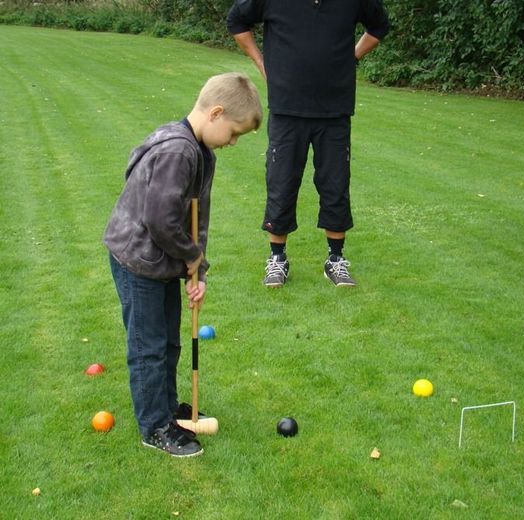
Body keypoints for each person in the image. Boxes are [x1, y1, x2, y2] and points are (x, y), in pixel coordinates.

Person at [103, 72, 263, 457]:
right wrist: (190, 256)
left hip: (161, 261)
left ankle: (168, 407)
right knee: (148, 347)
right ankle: (154, 426)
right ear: (216, 113)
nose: (234, 142)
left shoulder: (201, 152)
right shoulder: (179, 151)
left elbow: (195, 218)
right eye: (234, 132)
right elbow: (161, 220)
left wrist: (198, 269)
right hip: (138, 260)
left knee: (170, 341)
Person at [227, 0, 389, 287]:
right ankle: (277, 259)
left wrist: (352, 57)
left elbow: (379, 25)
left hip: (335, 109)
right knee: (281, 183)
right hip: (287, 108)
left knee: (335, 184)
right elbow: (237, 22)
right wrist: (263, 63)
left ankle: (335, 260)